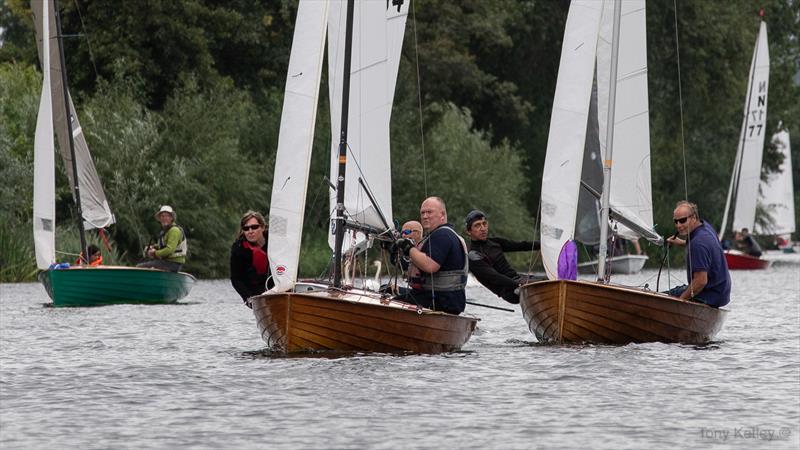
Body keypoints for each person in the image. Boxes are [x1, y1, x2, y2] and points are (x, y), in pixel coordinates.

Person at [394, 197, 468, 315]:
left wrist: (409, 248)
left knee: (390, 303)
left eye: (429, 212)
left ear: (442, 215)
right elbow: (414, 267)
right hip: (440, 298)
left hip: (442, 302)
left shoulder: (443, 235)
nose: (425, 216)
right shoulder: (437, 236)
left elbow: (429, 266)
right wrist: (392, 250)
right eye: (422, 213)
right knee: (387, 290)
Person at [464, 210, 541, 304]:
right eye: (477, 225)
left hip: (518, 280)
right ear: (468, 231)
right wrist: (519, 285)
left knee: (551, 281)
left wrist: (544, 245)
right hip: (509, 290)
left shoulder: (495, 242)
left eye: (484, 224)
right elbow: (495, 277)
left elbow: (521, 245)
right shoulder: (473, 255)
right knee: (543, 285)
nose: (483, 228)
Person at [666, 201, 731, 307]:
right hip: (721, 292)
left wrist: (680, 302)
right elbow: (706, 247)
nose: (678, 225)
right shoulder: (705, 228)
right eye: (675, 221)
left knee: (664, 297)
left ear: (694, 217)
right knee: (675, 291)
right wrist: (683, 242)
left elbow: (701, 281)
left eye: (683, 220)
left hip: (710, 295)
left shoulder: (697, 244)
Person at [230, 210, 274, 306]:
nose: (250, 231)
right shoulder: (239, 248)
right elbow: (235, 279)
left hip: (277, 289)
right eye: (246, 228)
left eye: (254, 227)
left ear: (262, 227)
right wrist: (247, 298)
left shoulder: (275, 241)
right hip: (255, 293)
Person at [137, 205, 187, 272]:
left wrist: (155, 253)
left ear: (171, 218)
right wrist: (152, 247)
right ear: (160, 218)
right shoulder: (165, 231)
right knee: (143, 265)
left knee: (139, 267)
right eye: (162, 216)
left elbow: (170, 249)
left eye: (167, 216)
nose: (164, 218)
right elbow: (163, 245)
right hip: (167, 262)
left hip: (173, 264)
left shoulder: (174, 230)